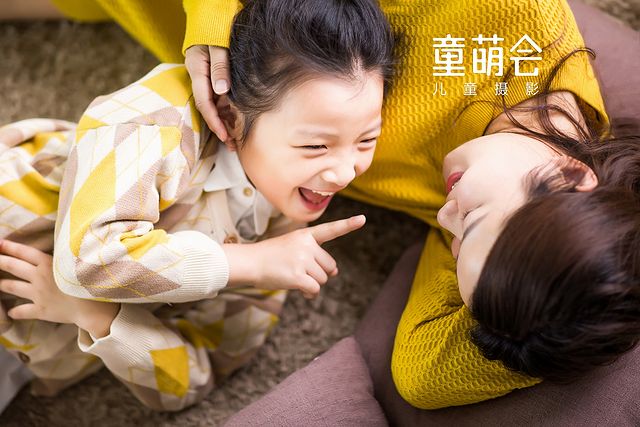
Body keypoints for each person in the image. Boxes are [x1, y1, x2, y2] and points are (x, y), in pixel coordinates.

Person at [4, 0, 635, 412]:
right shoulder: (509, 24)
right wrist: (214, 23)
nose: (442, 222)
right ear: (569, 174)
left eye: (457, 242)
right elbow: (90, 259)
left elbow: (423, 375)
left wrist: (564, 323)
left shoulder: (499, 241)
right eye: (467, 221)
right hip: (215, 53)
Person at [0, 0, 398, 411]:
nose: (345, 173)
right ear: (230, 115)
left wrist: (98, 316)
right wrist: (247, 262)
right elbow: (86, 261)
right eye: (315, 146)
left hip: (23, 359)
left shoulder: (282, 239)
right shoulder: (158, 115)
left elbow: (191, 379)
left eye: (366, 140)